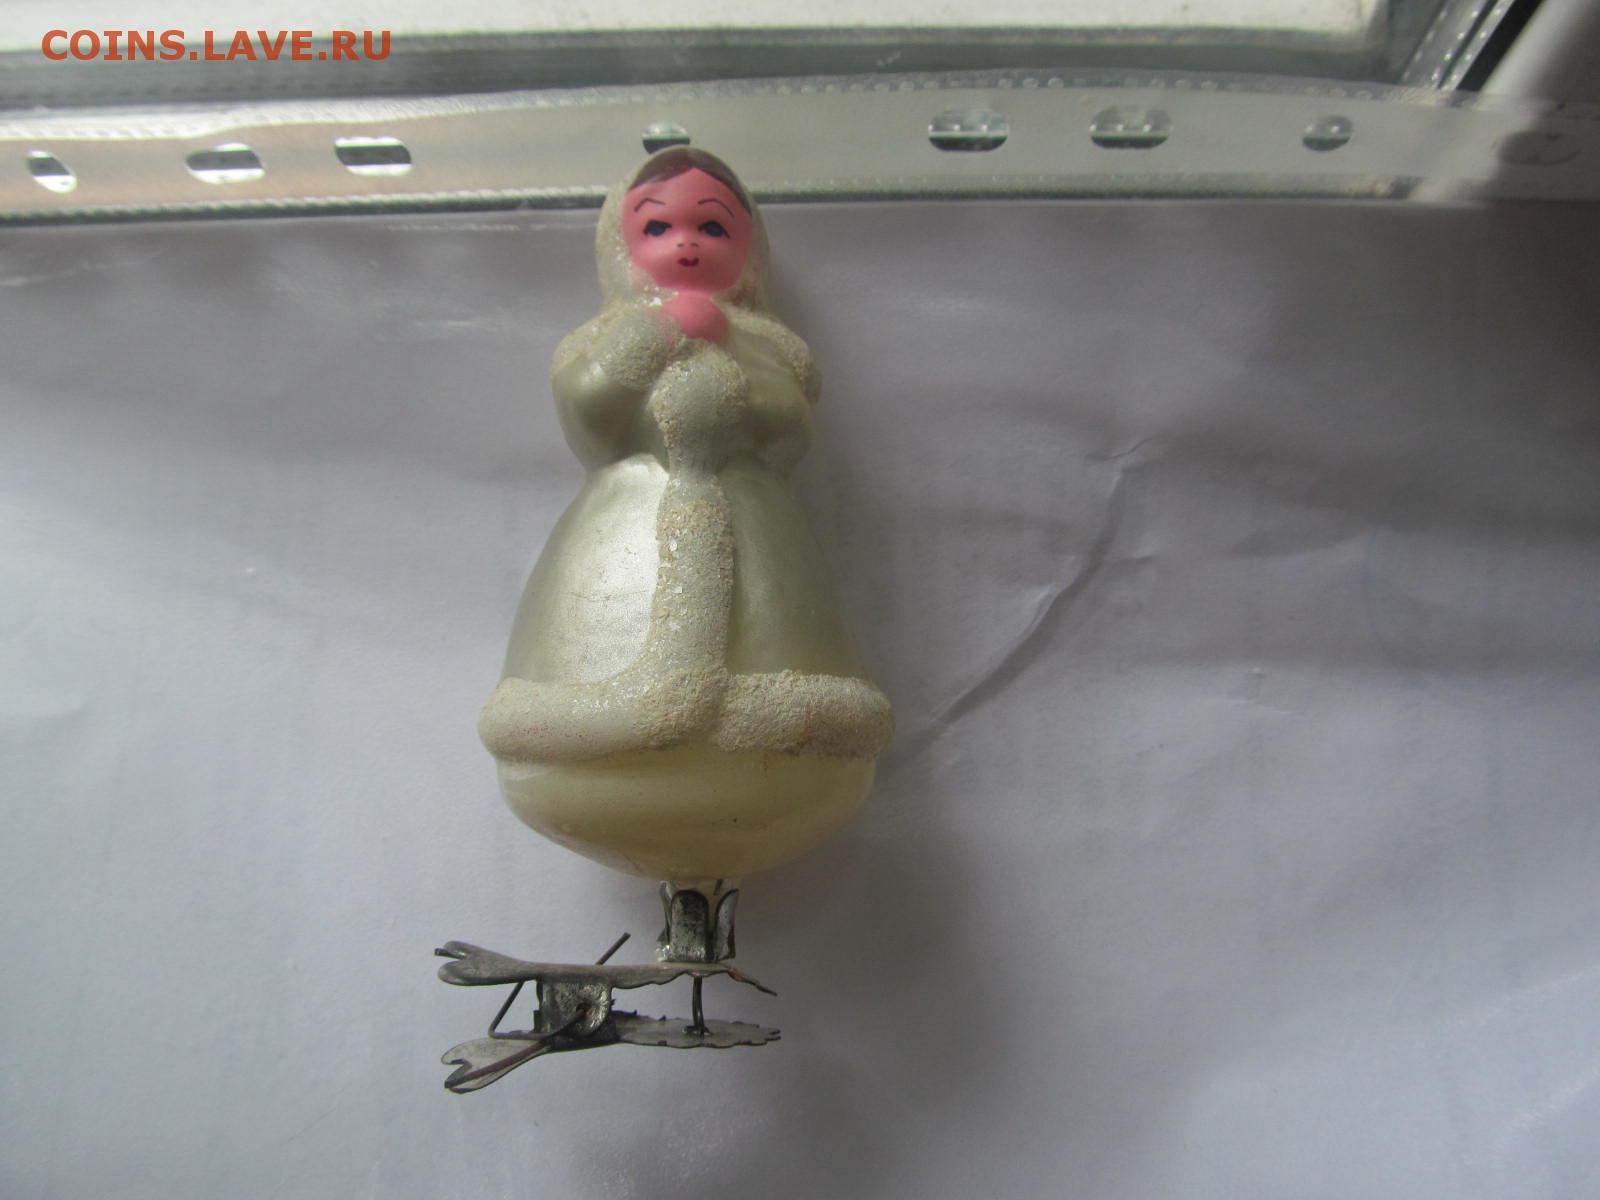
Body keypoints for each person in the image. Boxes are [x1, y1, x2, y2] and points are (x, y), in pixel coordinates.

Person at [478, 148, 892, 884]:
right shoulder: (599, 341)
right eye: (658, 227)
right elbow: (591, 421)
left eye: (713, 227)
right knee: (597, 701)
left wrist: (732, 361)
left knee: (777, 682)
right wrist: (657, 338)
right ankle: (605, 732)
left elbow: (788, 435)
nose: (687, 243)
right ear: (622, 246)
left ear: (749, 250)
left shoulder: (775, 350)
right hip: (621, 532)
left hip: (757, 540)